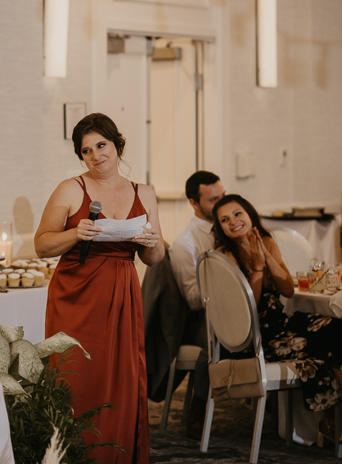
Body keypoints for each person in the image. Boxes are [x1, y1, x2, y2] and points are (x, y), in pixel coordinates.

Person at [36, 112, 164, 464]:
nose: (96, 155)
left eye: (101, 145)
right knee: (76, 377)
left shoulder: (145, 193)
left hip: (122, 292)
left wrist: (152, 240)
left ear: (117, 144)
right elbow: (42, 244)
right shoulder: (70, 188)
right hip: (76, 293)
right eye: (86, 150)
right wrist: (74, 233)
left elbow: (154, 258)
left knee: (122, 379)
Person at [212, 195, 342, 415]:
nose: (233, 222)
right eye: (224, 220)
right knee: (326, 345)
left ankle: (331, 422)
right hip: (254, 335)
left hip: (281, 322)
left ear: (250, 215)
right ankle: (330, 422)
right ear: (220, 227)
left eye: (237, 214)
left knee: (337, 329)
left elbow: (288, 291)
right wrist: (257, 268)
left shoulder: (267, 241)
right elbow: (248, 307)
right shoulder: (224, 256)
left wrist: (266, 256)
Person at [168, 170, 225, 438]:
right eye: (214, 200)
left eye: (222, 196)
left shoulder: (232, 227)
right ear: (194, 203)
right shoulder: (185, 245)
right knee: (216, 340)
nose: (222, 204)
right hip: (199, 320)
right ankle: (198, 408)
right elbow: (192, 301)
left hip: (241, 312)